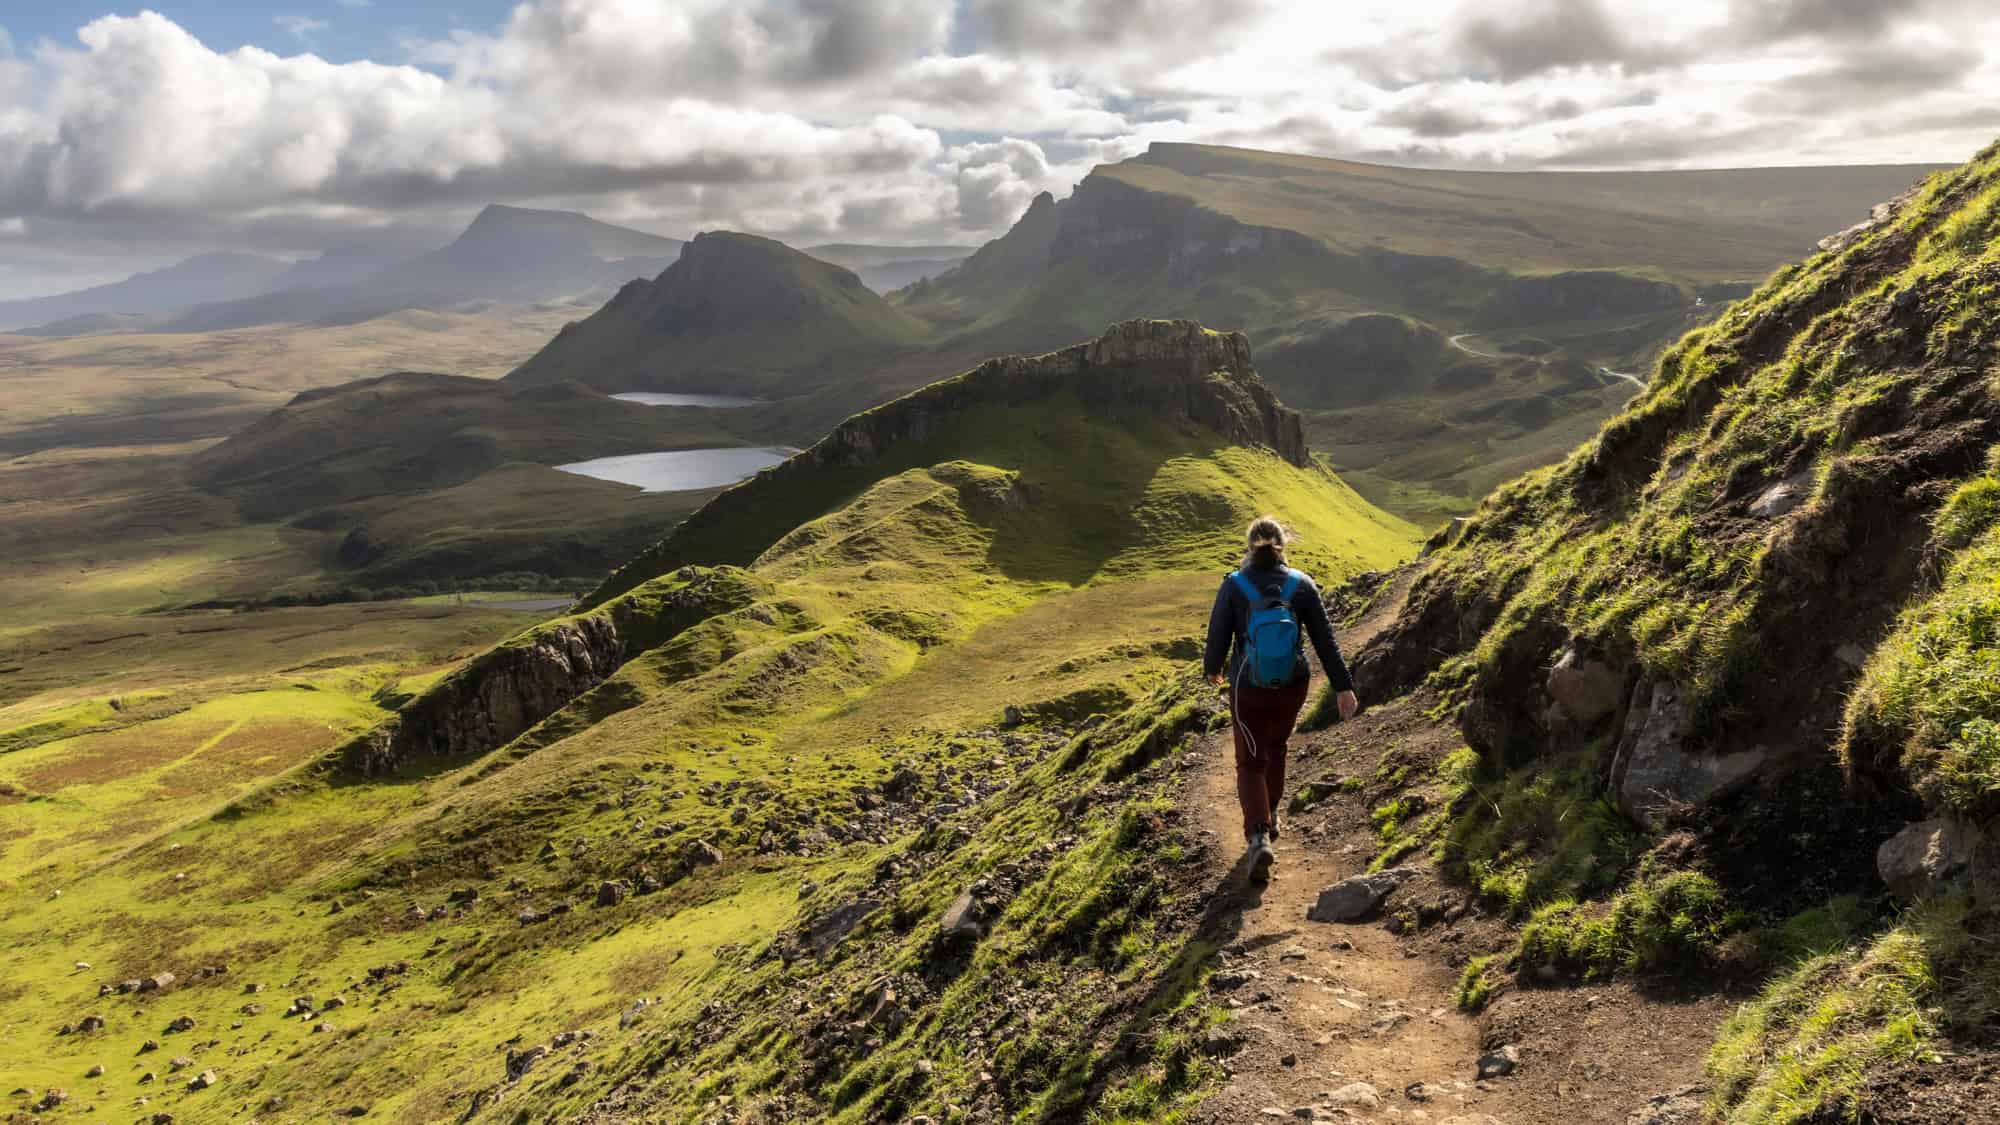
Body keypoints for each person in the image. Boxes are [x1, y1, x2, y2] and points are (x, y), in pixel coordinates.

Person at [1203, 516, 1359, 883]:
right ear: (1282, 546)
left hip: (1248, 685)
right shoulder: (1301, 585)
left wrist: (1212, 669)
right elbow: (1326, 641)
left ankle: (1258, 835)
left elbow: (1217, 636)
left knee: (1250, 761)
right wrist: (1343, 687)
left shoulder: (1234, 585)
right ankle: (1271, 818)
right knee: (1278, 747)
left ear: (1249, 546)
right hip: (1293, 684)